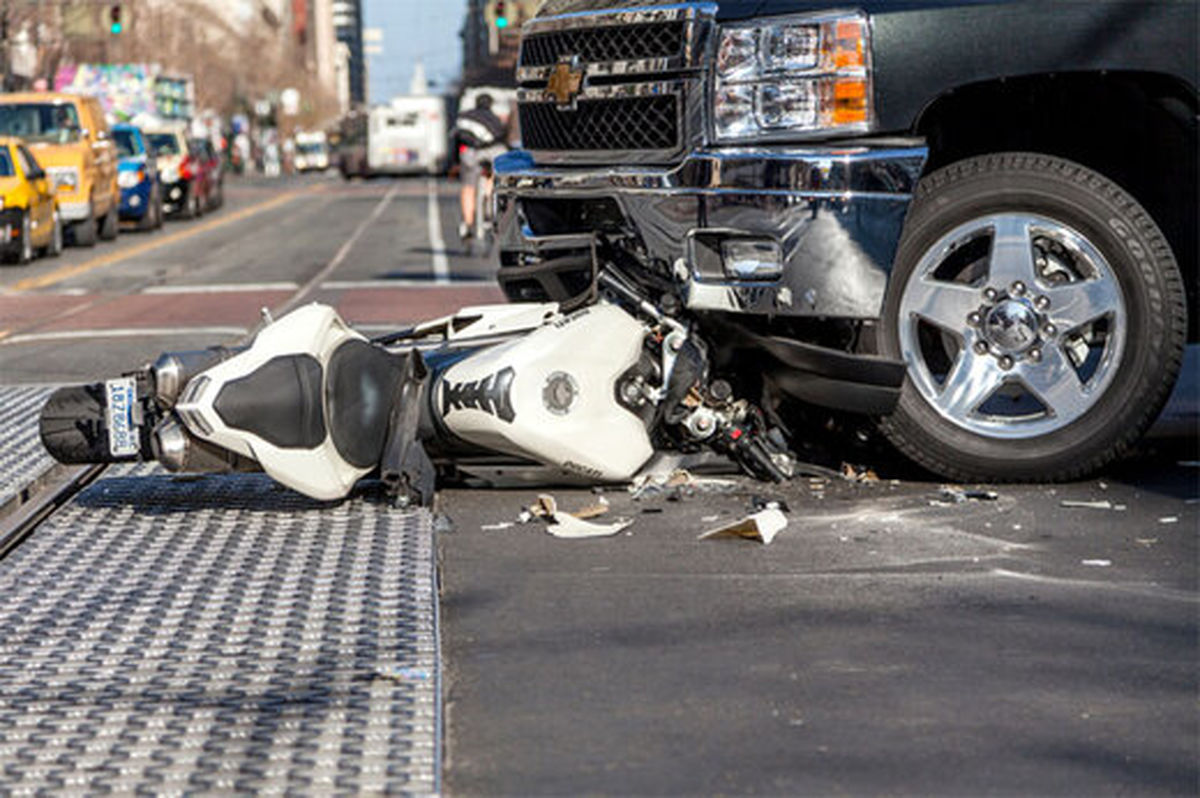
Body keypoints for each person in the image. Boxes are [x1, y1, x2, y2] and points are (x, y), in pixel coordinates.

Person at [452, 94, 508, 241]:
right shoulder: (494, 118)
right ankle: (490, 201)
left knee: (468, 187)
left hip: (470, 154)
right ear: (490, 105)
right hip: (491, 153)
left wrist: (455, 164)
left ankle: (467, 224)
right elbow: (503, 138)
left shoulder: (465, 117)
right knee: (494, 174)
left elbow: (456, 140)